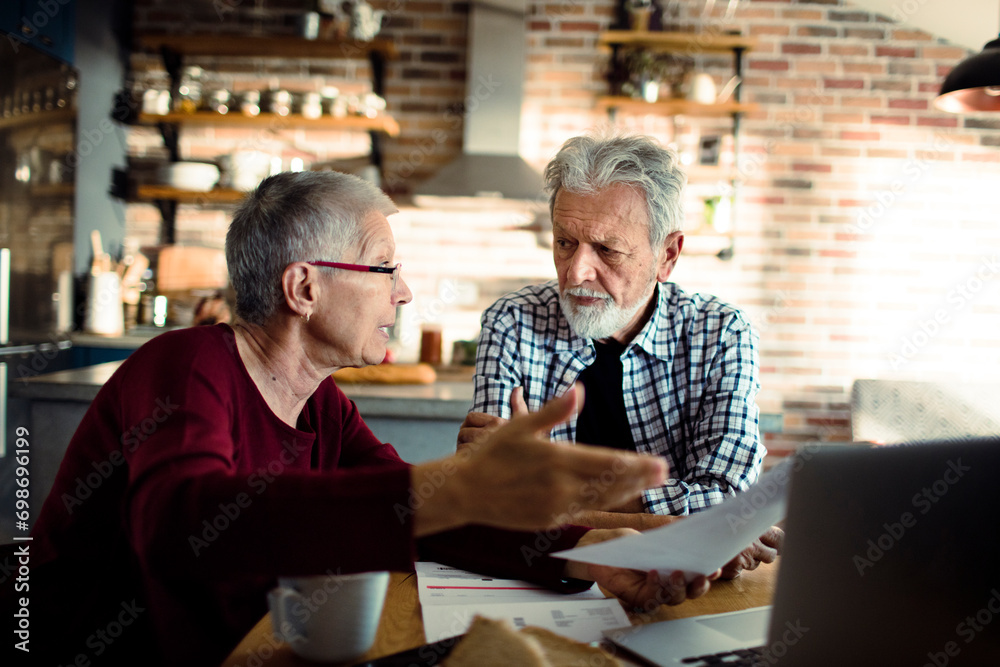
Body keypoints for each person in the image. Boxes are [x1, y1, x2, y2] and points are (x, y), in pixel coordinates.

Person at [12, 171, 716, 667]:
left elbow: (432, 512)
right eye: (384, 268)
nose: (404, 291)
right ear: (304, 286)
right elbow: (183, 525)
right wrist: (447, 489)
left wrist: (594, 548)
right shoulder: (185, 364)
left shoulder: (322, 403)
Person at [458, 131, 782, 575]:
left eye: (607, 250)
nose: (576, 272)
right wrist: (677, 527)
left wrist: (547, 492)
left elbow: (725, 497)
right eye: (564, 242)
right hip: (545, 577)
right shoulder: (512, 322)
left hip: (681, 589)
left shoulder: (720, 332)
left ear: (667, 255)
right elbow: (489, 503)